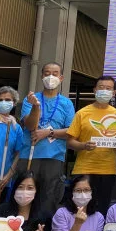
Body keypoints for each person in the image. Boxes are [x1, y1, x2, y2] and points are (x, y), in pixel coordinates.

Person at [18, 61, 76, 214]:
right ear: (41, 76)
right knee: (25, 197)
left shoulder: (67, 103)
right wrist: (36, 107)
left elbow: (71, 131)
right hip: (29, 155)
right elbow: (30, 126)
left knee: (48, 199)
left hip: (54, 157)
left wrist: (48, 133)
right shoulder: (30, 99)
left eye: (55, 73)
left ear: (61, 78)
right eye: (47, 73)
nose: (51, 77)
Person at [66, 75, 116, 215]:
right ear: (94, 90)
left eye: (108, 88)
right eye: (101, 87)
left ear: (113, 93)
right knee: (79, 209)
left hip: (108, 170)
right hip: (84, 169)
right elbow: (70, 141)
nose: (104, 91)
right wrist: (83, 145)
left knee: (101, 209)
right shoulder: (82, 113)